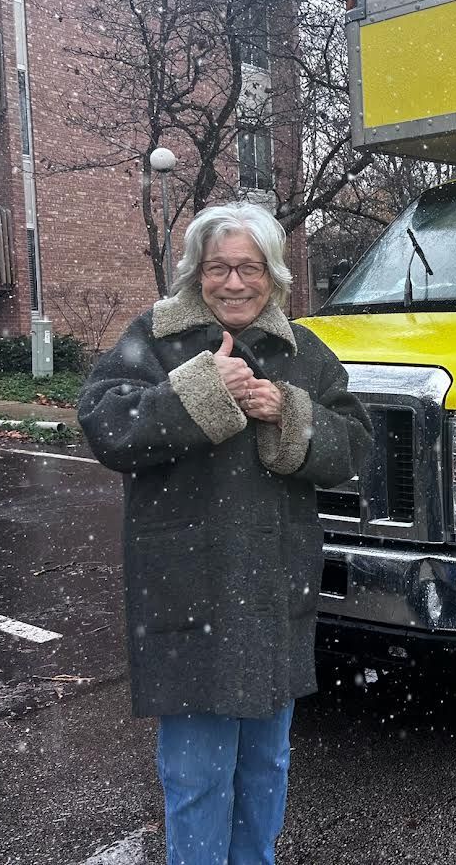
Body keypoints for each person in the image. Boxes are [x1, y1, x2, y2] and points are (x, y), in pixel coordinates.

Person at [78, 202, 371, 864]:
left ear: (273, 275)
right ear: (196, 273)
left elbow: (355, 446)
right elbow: (105, 425)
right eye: (218, 268)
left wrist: (289, 412)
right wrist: (200, 391)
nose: (234, 283)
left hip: (273, 590)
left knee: (266, 767)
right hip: (190, 590)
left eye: (249, 268)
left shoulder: (302, 352)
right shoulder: (154, 338)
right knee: (197, 775)